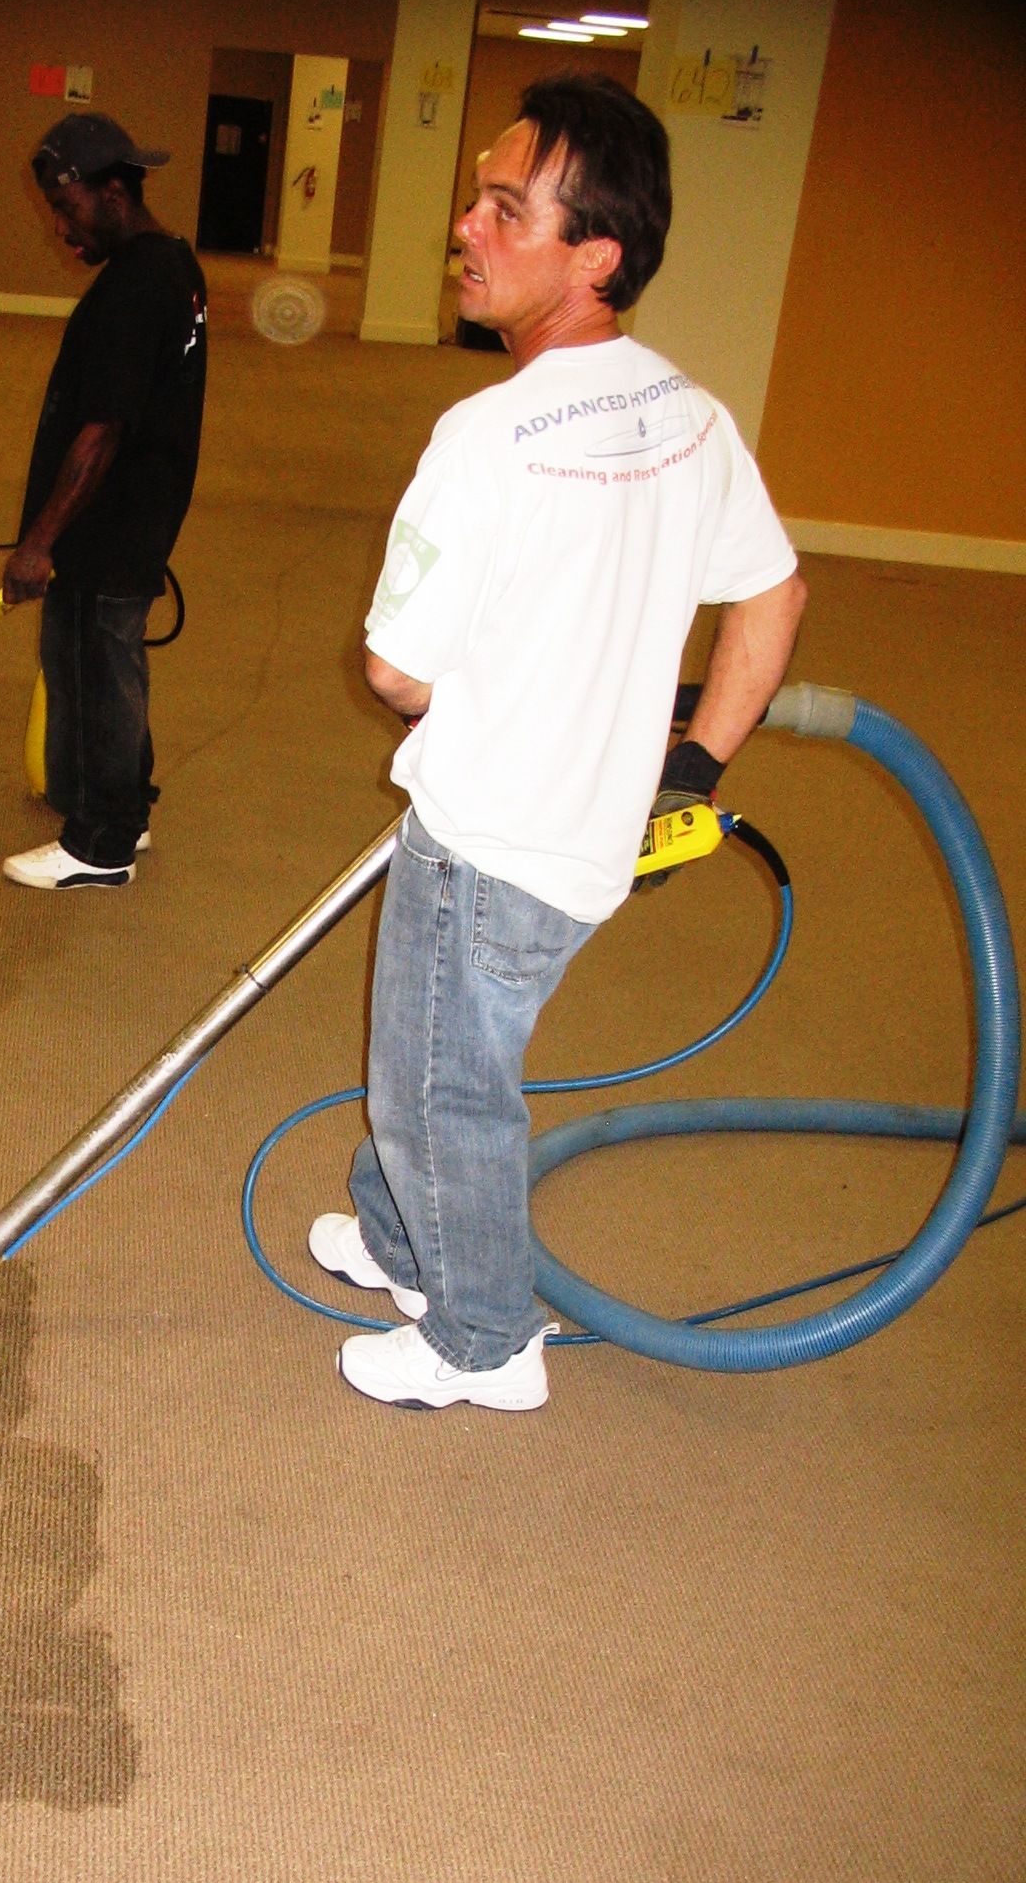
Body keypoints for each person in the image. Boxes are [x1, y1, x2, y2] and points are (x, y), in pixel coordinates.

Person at [312, 72, 807, 1412]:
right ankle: (404, 1233)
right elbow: (773, 594)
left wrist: (468, 684)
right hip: (588, 836)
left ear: (595, 255)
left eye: (501, 207)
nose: (465, 225)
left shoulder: (484, 437)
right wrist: (693, 767)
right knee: (436, 1059)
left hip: (486, 838)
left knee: (446, 1091)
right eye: (477, 193)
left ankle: (483, 1342)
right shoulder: (690, 414)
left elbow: (396, 671)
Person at [0, 113, 207, 890]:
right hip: (140, 512)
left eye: (68, 206)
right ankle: (129, 811)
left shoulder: (132, 288)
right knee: (111, 667)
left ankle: (99, 845)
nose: (60, 227)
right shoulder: (174, 266)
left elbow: (100, 433)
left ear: (113, 192)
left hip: (107, 519)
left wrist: (38, 543)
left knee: (89, 669)